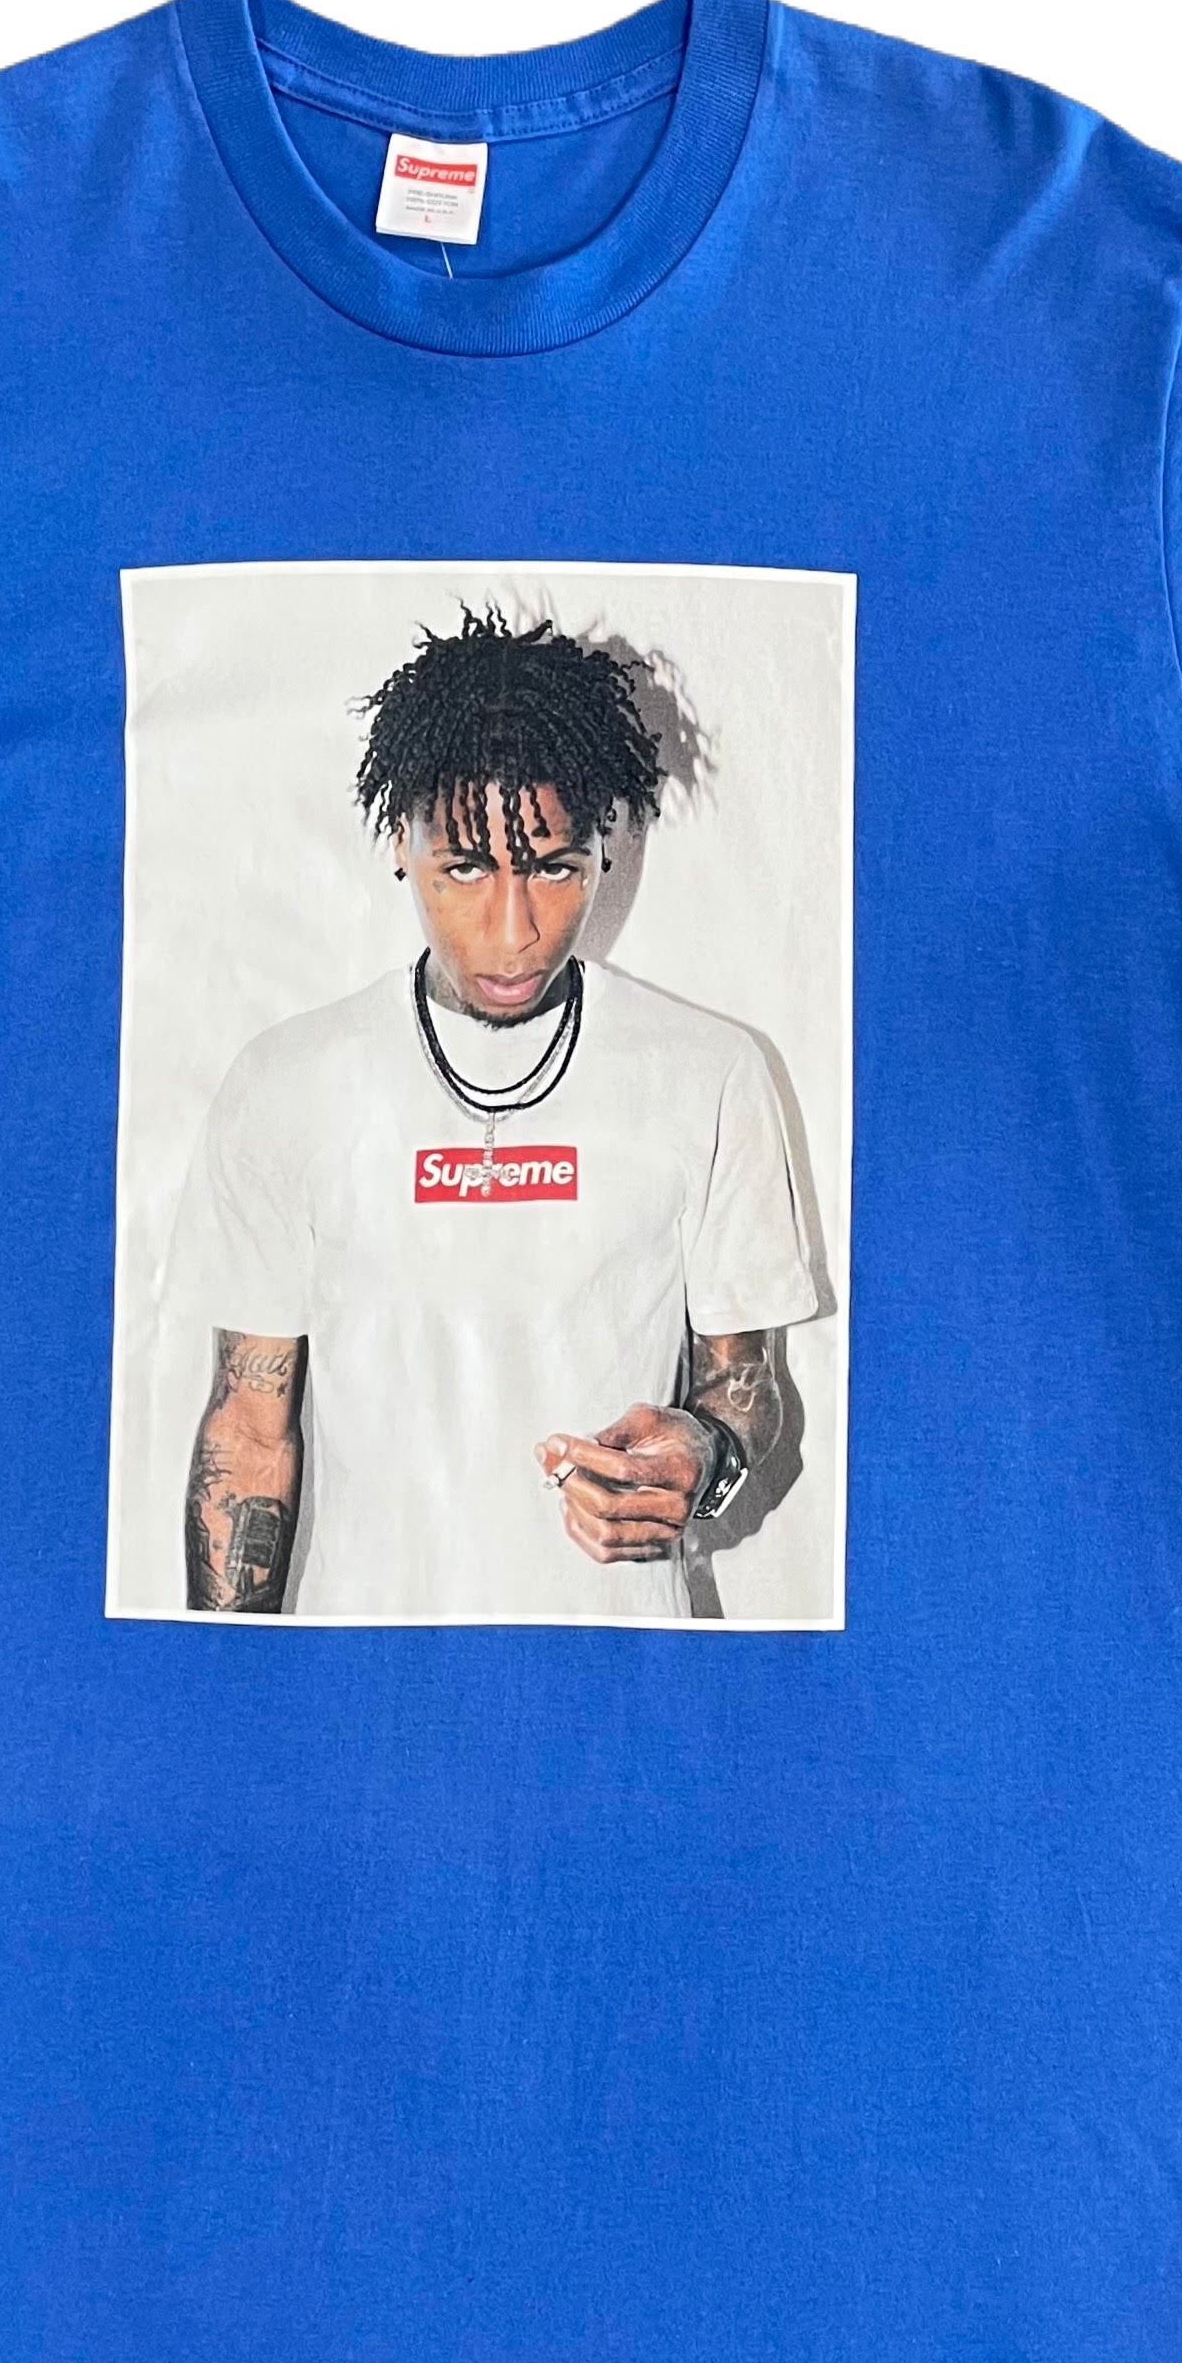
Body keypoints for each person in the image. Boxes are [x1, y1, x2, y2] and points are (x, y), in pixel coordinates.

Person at [166, 607, 823, 1621]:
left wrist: (703, 1450)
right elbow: (251, 1432)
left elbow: (745, 1382)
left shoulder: (711, 1073)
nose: (513, 931)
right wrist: (224, 1684)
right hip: (365, 1663)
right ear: (401, 842)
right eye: (466, 867)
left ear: (605, 852)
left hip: (623, 1668)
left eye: (554, 867)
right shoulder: (287, 1082)